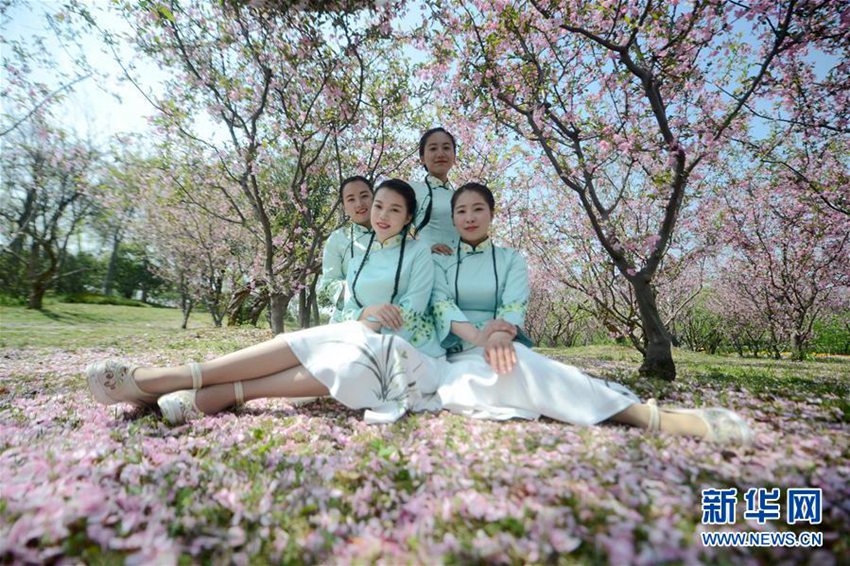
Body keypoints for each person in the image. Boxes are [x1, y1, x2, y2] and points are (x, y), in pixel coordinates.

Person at [86, 180, 456, 426]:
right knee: (316, 342)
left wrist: (373, 319)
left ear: (409, 218)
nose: (382, 215)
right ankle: (170, 378)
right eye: (378, 206)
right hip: (355, 329)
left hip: (407, 346)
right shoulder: (353, 248)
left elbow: (414, 306)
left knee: (350, 356)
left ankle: (211, 394)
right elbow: (331, 292)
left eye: (394, 210)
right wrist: (362, 313)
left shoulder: (419, 251)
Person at [430, 182, 753, 445]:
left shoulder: (510, 259)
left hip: (502, 343)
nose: (469, 217)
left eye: (477, 209)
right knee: (463, 390)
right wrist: (479, 338)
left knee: (520, 365)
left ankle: (645, 416)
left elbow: (513, 304)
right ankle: (618, 407)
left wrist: (500, 334)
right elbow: (442, 304)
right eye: (461, 211)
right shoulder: (441, 260)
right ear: (453, 218)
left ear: (492, 214)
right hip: (456, 351)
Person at [318, 175, 374, 322]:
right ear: (344, 206)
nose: (359, 204)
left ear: (374, 197)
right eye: (351, 199)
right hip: (346, 319)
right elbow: (328, 284)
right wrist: (359, 288)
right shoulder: (338, 238)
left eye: (364, 196)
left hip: (387, 316)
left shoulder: (395, 234)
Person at [409, 127, 459, 255]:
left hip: (462, 267)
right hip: (428, 265)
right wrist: (424, 248)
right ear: (422, 158)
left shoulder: (461, 196)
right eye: (433, 149)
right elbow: (391, 230)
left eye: (446, 148)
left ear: (454, 156)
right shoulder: (412, 190)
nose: (440, 154)